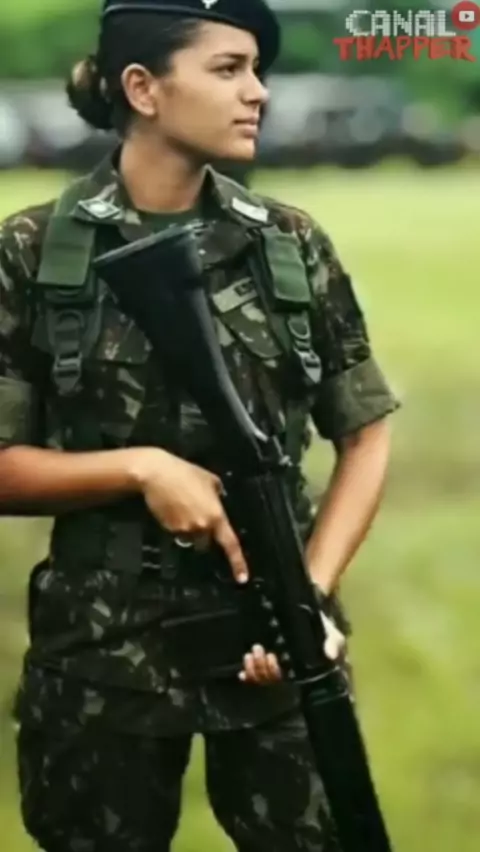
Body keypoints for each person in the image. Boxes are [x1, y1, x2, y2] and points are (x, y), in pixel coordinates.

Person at [0, 1, 399, 850]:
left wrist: (307, 599)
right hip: (103, 646)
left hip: (277, 632)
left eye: (258, 70)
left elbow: (365, 433)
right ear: (142, 88)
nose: (258, 92)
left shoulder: (289, 244)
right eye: (228, 69)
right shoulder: (33, 252)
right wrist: (142, 468)